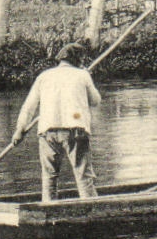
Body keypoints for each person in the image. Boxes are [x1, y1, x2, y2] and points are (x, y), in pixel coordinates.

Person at [12, 42, 102, 202]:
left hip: (48, 132)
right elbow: (95, 101)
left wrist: (19, 130)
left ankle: (48, 208)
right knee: (83, 175)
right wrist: (87, 78)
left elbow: (29, 107)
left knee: (49, 177)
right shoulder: (82, 75)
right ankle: (91, 208)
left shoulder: (44, 76)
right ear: (78, 60)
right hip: (76, 131)